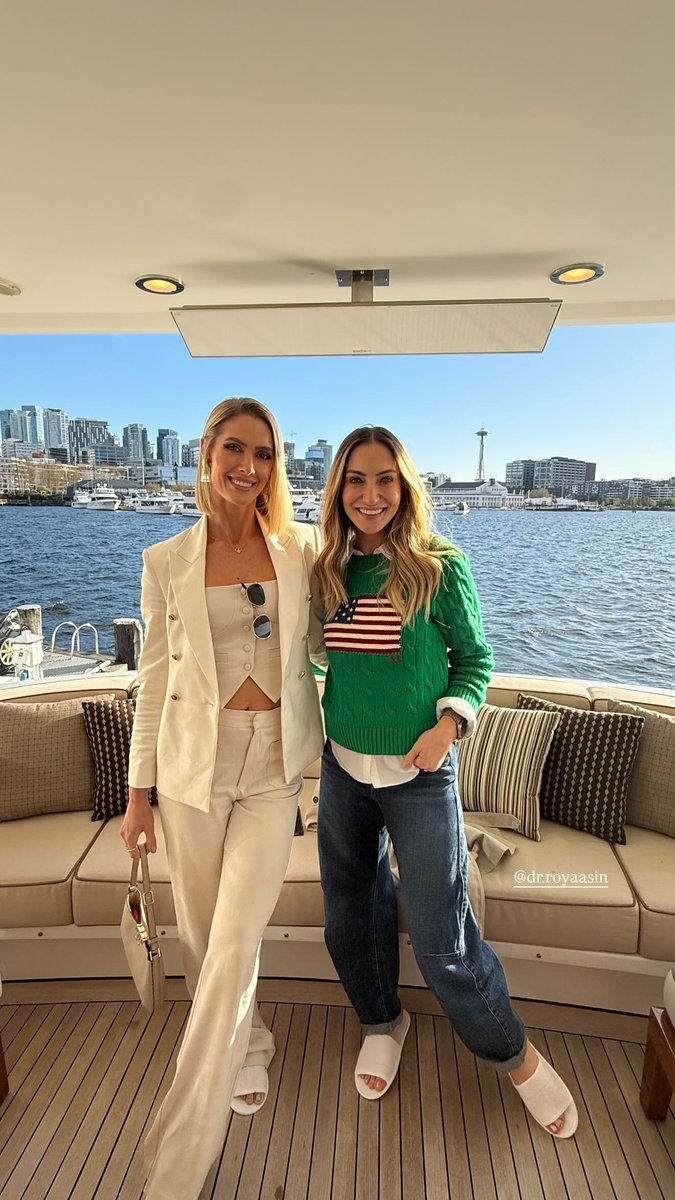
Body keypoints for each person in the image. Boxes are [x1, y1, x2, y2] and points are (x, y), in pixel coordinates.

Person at [312, 425, 578, 1138]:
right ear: (337, 488)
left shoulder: (438, 565)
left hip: (420, 776)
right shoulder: (327, 571)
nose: (370, 495)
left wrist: (447, 727)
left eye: (384, 480)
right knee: (348, 918)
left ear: (404, 488)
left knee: (441, 939)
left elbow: (475, 660)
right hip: (341, 773)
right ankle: (382, 1022)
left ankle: (515, 1057)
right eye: (356, 480)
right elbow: (318, 661)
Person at [120, 397, 325, 1200]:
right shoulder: (164, 559)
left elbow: (330, 643)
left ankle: (178, 1159)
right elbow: (154, 682)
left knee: (236, 942)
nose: (250, 466)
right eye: (234, 449)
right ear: (205, 453)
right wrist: (139, 797)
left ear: (277, 464)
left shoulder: (302, 549)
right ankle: (251, 1043)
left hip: (274, 766)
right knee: (207, 937)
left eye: (265, 453)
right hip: (189, 773)